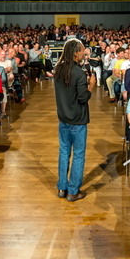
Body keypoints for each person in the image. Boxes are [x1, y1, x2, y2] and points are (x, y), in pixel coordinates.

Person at [54, 39, 95, 202]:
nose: (84, 53)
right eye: (83, 50)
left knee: (64, 152)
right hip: (77, 120)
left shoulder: (59, 70)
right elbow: (83, 97)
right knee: (78, 155)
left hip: (63, 118)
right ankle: (73, 191)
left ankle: (62, 188)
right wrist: (91, 84)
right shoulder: (78, 72)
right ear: (76, 52)